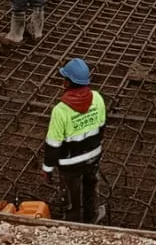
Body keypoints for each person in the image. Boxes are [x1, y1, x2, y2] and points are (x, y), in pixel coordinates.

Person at [41, 57, 107, 224]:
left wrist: (48, 168)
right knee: (91, 190)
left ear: (67, 82)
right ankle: (92, 219)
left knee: (71, 197)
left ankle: (73, 225)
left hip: (70, 164)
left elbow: (53, 144)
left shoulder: (61, 110)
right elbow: (101, 128)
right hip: (93, 157)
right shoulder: (98, 98)